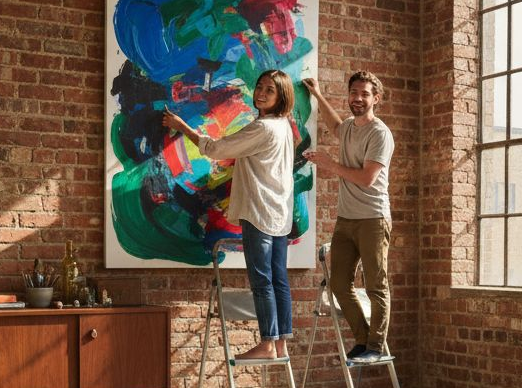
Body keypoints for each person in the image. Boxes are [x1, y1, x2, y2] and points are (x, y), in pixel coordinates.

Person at [163, 69, 296, 360]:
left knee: (262, 280)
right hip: (278, 214)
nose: (260, 93)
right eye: (259, 86)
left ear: (282, 96)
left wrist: (183, 126)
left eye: (269, 90)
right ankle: (280, 344)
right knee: (278, 279)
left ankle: (266, 344)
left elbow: (217, 148)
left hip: (259, 211)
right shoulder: (284, 125)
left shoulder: (262, 128)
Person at [302, 71, 395, 363]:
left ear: (375, 98)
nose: (357, 98)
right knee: (339, 285)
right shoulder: (350, 129)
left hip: (373, 219)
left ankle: (376, 346)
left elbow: (367, 178)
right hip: (345, 220)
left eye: (364, 94)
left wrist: (330, 164)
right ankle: (363, 339)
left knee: (375, 285)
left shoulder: (379, 133)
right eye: (353, 92)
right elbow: (335, 124)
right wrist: (317, 94)